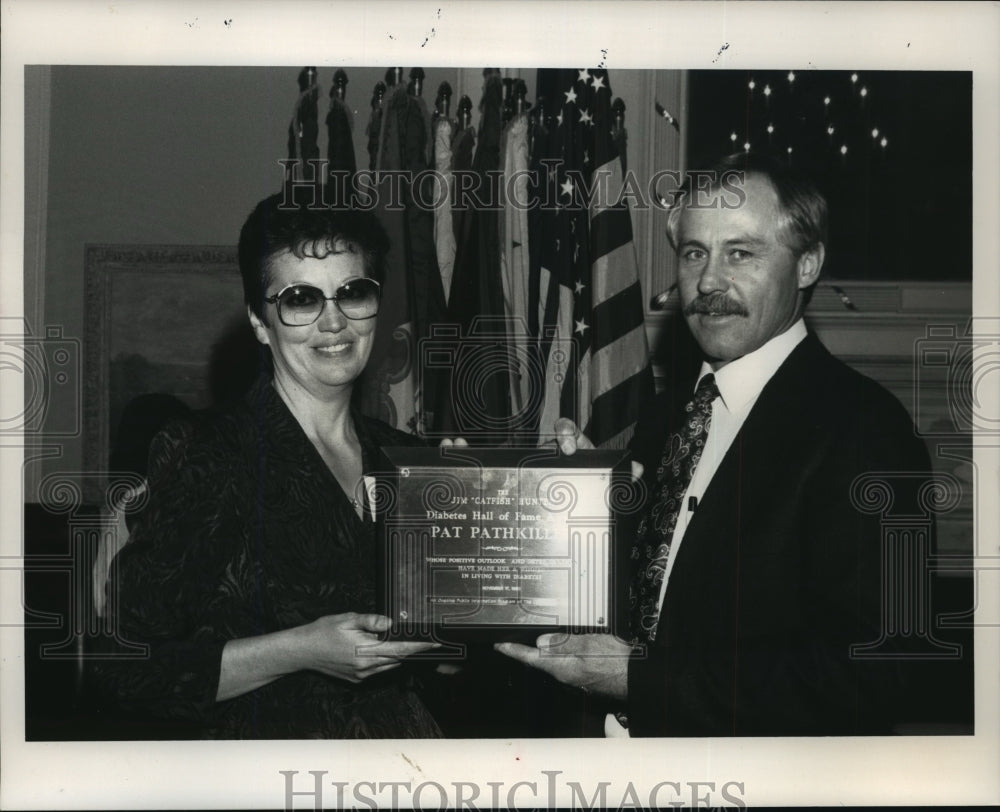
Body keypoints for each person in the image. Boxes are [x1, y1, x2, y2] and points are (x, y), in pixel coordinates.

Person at [497, 153, 933, 736]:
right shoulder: (669, 414)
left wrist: (639, 678)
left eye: (741, 253)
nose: (708, 282)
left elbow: (880, 668)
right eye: (695, 253)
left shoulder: (865, 431)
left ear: (807, 265)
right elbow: (659, 591)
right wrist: (565, 505)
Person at [96, 192, 442, 738]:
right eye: (302, 299)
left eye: (352, 293)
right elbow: (124, 668)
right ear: (260, 321)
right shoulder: (206, 453)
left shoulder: (411, 459)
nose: (334, 322)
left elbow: (453, 649)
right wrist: (299, 650)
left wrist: (564, 482)